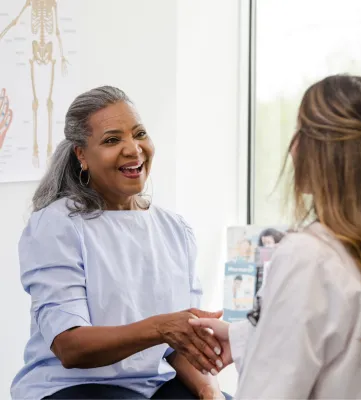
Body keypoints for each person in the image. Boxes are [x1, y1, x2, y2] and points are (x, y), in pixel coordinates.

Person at [11, 86, 230, 400]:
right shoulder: (57, 226)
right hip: (74, 387)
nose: (133, 149)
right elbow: (70, 347)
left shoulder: (175, 229)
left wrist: (210, 391)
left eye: (139, 133)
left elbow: (180, 345)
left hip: (155, 385)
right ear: (81, 155)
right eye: (112, 140)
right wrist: (159, 327)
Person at [190, 75, 361, 399]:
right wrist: (240, 338)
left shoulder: (309, 256)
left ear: (325, 151)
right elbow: (346, 338)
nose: (292, 146)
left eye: (301, 131)